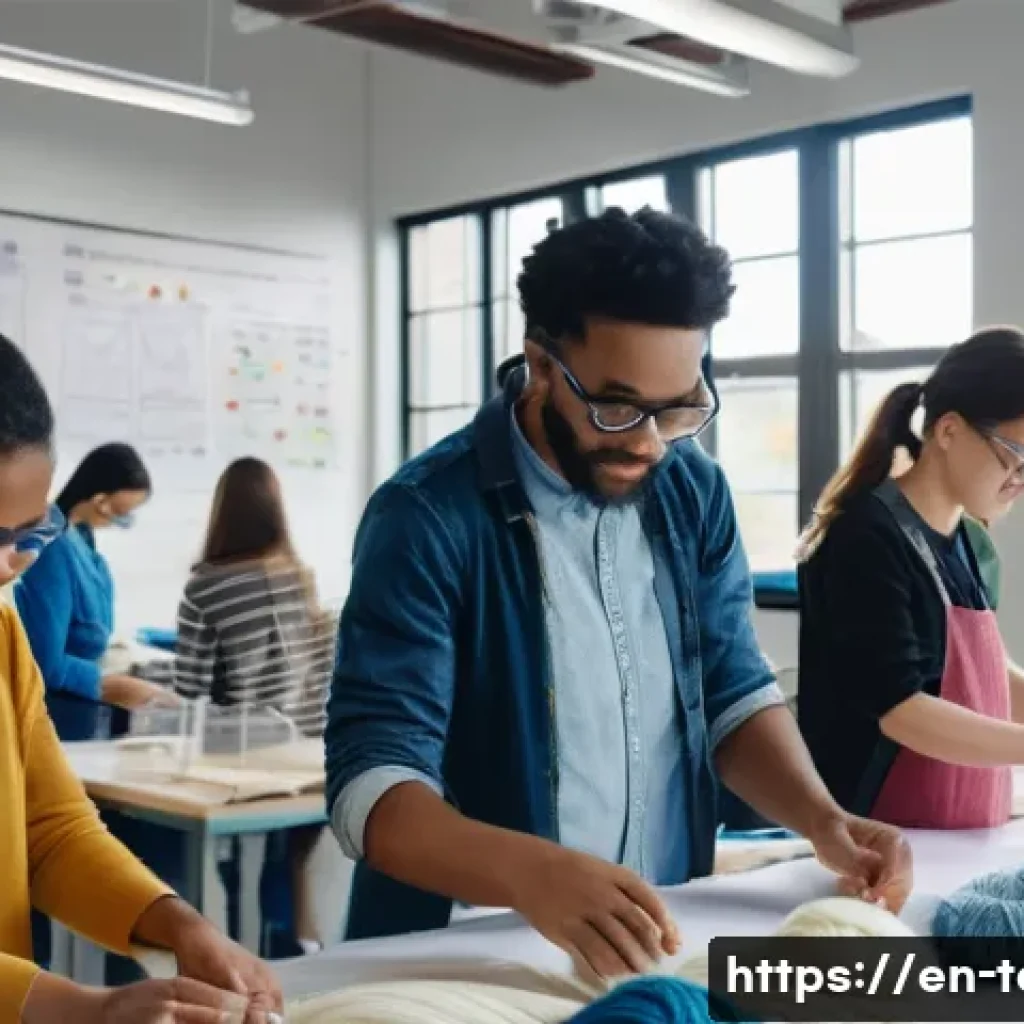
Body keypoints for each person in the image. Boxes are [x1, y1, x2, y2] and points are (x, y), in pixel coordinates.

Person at [325, 208, 911, 979]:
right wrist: (530, 875)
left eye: (678, 408)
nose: (647, 440)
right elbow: (373, 785)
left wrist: (823, 819)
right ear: (540, 365)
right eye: (616, 406)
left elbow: (731, 692)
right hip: (468, 953)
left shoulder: (691, 489)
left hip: (658, 936)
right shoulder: (428, 516)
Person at [0, 333, 283, 1024]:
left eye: (30, 535)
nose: (12, 565)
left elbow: (52, 828)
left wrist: (180, 924)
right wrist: (82, 1007)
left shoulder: (3, 638)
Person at [797, 327, 1024, 830]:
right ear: (948, 431)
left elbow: (990, 677)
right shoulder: (864, 537)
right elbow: (900, 708)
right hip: (878, 837)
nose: (1020, 483)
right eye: (1016, 457)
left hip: (961, 830)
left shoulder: (967, 538)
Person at [175, 456, 334, 955]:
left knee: (239, 867)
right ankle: (286, 946)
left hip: (239, 755)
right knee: (288, 862)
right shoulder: (300, 576)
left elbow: (191, 686)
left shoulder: (204, 587)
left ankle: (249, 957)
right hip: (310, 753)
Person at [15, 442, 175, 742]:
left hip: (85, 712)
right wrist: (108, 684)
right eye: (120, 511)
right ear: (99, 499)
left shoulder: (87, 548)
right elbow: (44, 662)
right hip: (56, 717)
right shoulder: (53, 549)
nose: (121, 521)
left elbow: (95, 633)